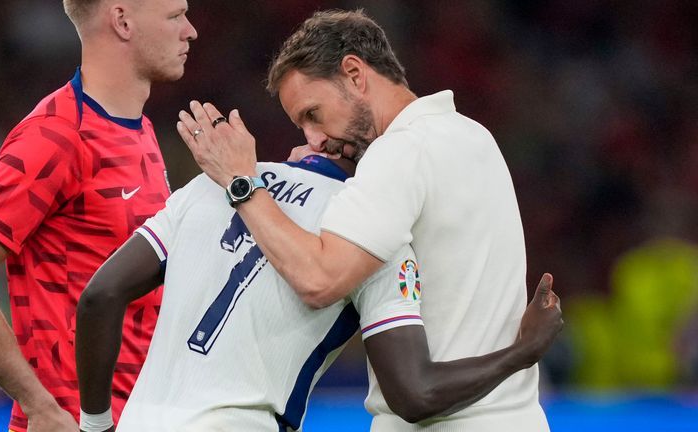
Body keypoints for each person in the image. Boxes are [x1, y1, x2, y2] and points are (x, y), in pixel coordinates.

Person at [176, 8, 557, 431]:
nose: (313, 139)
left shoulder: (398, 154)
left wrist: (242, 182)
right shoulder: (474, 136)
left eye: (313, 114)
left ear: (355, 74)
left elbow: (319, 280)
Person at [75, 155, 562, 432]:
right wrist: (522, 352)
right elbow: (415, 393)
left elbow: (100, 295)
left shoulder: (208, 186)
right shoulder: (374, 238)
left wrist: (96, 425)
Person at [0, 1, 197, 431]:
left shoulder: (139, 130)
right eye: (175, 16)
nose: (190, 31)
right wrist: (38, 405)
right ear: (122, 21)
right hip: (78, 422)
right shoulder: (58, 133)